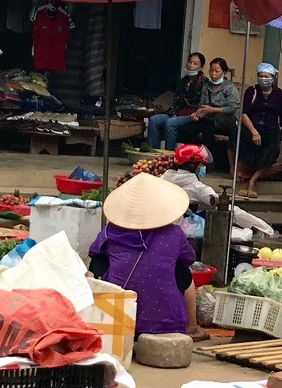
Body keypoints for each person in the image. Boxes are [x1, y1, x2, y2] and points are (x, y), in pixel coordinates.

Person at [88, 172, 200, 338]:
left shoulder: (109, 233)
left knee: (94, 268)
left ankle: (92, 321)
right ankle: (192, 326)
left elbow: (94, 259)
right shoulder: (174, 234)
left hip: (117, 318)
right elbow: (189, 258)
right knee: (183, 273)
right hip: (166, 325)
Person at [237, 62, 282, 190]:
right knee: (237, 137)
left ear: (272, 78)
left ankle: (253, 180)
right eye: (261, 76)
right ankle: (237, 172)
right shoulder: (251, 91)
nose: (263, 79)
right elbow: (244, 114)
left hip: (271, 129)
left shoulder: (280, 95)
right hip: (252, 126)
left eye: (266, 76)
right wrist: (254, 132)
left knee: (273, 149)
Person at [180, 57, 240, 163]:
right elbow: (202, 104)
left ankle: (207, 162)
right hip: (207, 117)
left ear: (224, 72)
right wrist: (197, 113)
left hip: (224, 121)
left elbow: (232, 108)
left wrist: (213, 109)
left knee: (208, 130)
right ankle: (189, 158)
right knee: (187, 129)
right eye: (211, 70)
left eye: (217, 71)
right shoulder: (207, 86)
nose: (213, 74)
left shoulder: (229, 87)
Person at [146, 54, 207, 150]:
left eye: (195, 64)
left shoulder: (204, 83)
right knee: (154, 120)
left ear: (201, 67)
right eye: (190, 62)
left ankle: (169, 156)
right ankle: (153, 153)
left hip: (192, 115)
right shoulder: (184, 81)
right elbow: (177, 101)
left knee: (171, 123)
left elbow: (201, 104)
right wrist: (174, 113)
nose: (191, 65)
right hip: (177, 113)